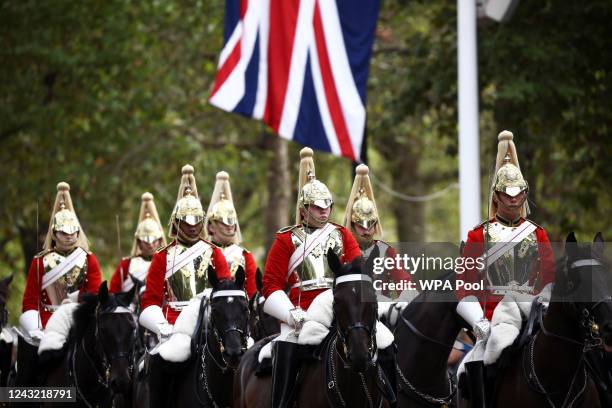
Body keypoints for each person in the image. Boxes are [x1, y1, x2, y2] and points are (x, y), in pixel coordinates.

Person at [456, 130, 555, 407]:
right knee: (471, 368)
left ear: (524, 194)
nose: (513, 199)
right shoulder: (479, 235)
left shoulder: (538, 234)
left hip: (536, 314)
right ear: (497, 196)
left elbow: (549, 278)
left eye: (518, 193)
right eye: (507, 193)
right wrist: (479, 323)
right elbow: (466, 284)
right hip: (494, 319)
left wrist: (545, 307)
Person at [262, 148, 361, 408]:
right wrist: (290, 313)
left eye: (327, 206)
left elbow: (358, 274)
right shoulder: (286, 239)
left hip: (341, 309)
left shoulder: (342, 235)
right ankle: (282, 403)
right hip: (301, 313)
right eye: (317, 208)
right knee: (286, 348)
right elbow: (271, 285)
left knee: (385, 342)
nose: (324, 212)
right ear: (304, 209)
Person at [138, 164, 231, 408]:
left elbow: (225, 289)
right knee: (161, 361)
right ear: (176, 222)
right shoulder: (162, 257)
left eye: (197, 221)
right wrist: (162, 326)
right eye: (187, 221)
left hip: (210, 321)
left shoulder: (214, 253)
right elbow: (149, 302)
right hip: (174, 327)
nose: (193, 226)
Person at [17, 182, 101, 387]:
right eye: (64, 232)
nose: (70, 235)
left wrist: (77, 303)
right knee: (28, 367)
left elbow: (95, 295)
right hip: (46, 324)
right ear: (54, 234)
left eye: (74, 231)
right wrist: (35, 328)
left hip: (78, 321)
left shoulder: (89, 259)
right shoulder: (40, 261)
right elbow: (29, 302)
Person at [343, 164, 412, 299]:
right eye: (361, 226)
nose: (367, 231)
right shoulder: (341, 250)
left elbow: (404, 284)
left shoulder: (386, 252)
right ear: (352, 225)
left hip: (380, 310)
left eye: (371, 225)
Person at [205, 171, 257, 298]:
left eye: (232, 221)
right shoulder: (201, 252)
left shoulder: (245, 256)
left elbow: (252, 293)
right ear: (211, 227)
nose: (230, 226)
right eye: (224, 222)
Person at [110, 192, 166, 296]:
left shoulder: (168, 263)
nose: (150, 245)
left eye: (154, 240)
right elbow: (114, 292)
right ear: (139, 242)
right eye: (146, 241)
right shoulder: (126, 265)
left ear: (159, 241)